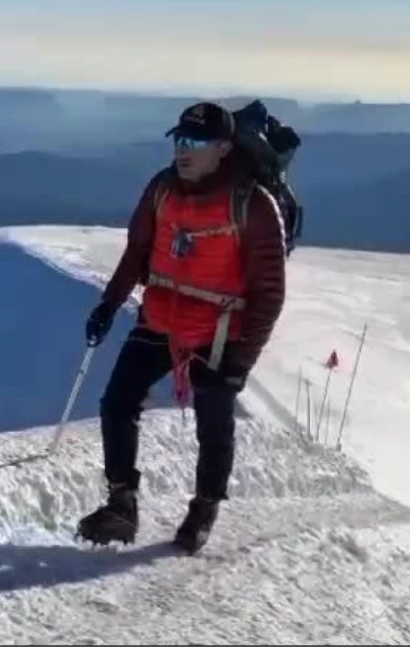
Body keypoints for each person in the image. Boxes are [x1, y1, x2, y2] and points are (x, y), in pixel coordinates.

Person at [75, 101, 288, 554]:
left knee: (213, 422)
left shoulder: (253, 205)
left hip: (220, 333)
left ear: (224, 148)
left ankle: (204, 507)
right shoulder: (162, 189)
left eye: (195, 142)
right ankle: (122, 503)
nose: (182, 150)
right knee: (117, 402)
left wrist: (242, 361)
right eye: (179, 140)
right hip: (161, 317)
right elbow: (137, 252)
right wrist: (109, 305)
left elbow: (269, 294)